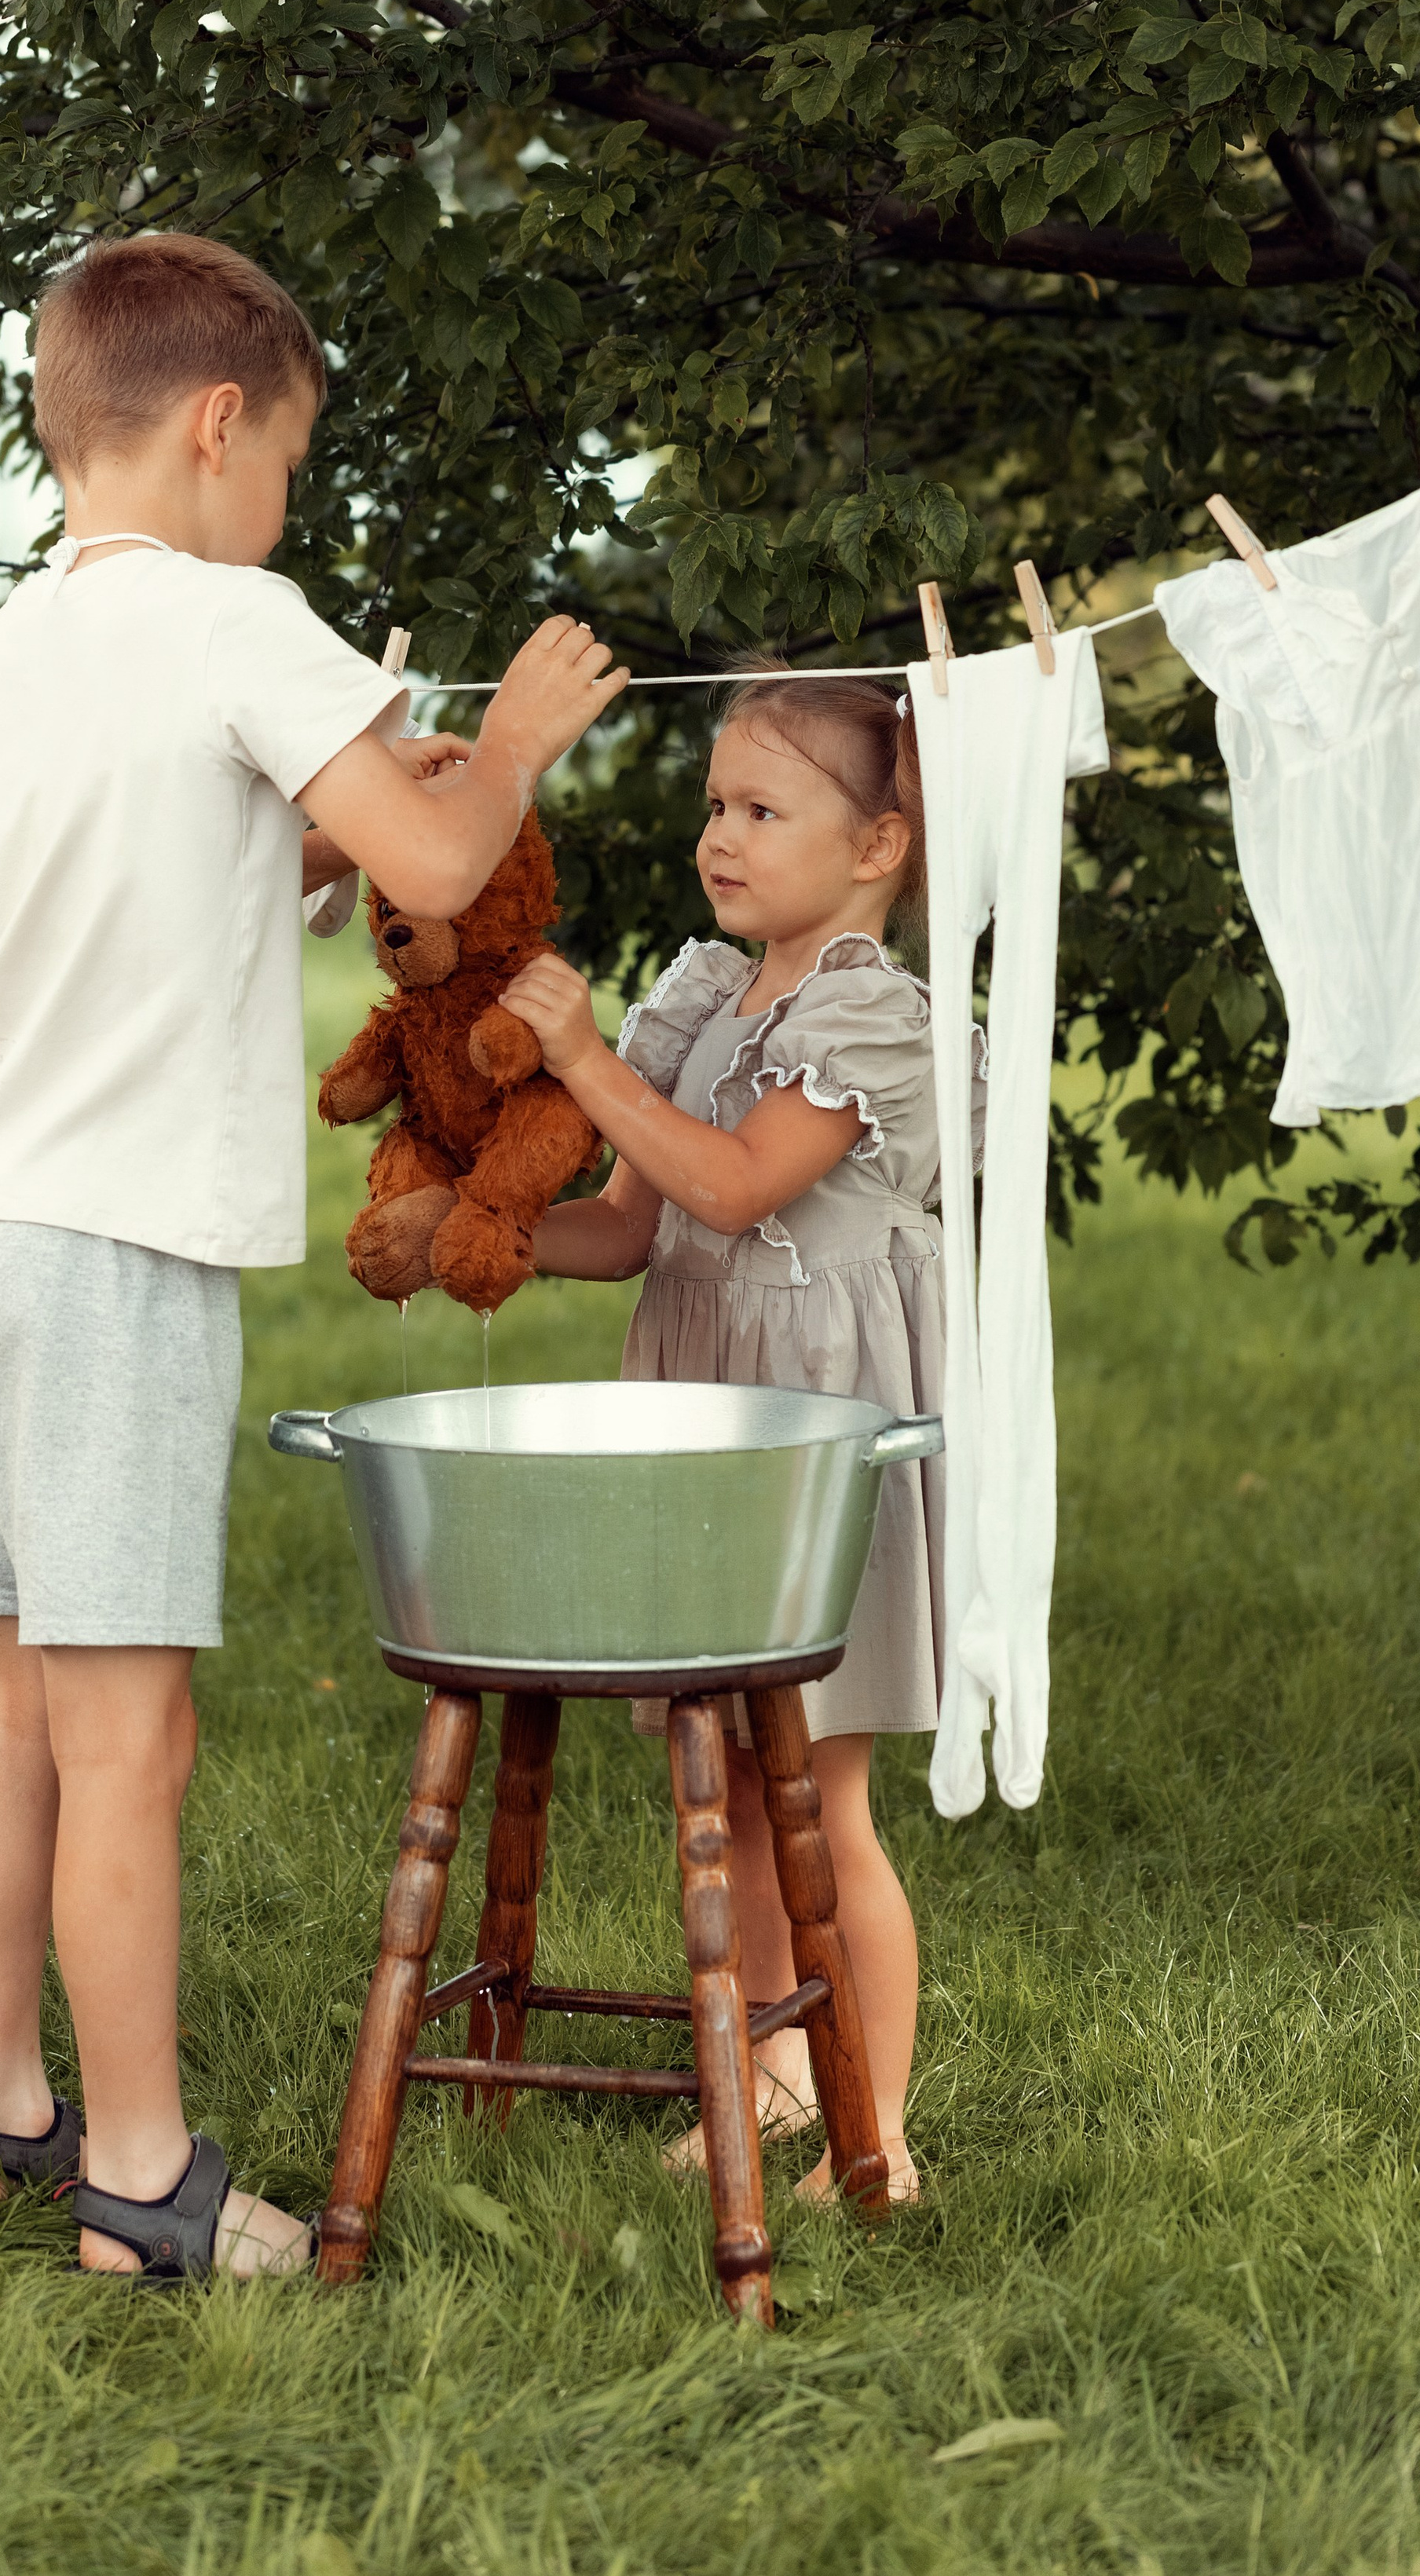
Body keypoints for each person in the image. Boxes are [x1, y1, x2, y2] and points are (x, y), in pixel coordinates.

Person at [0, 230, 625, 2281]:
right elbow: (452, 865)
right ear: (220, 427)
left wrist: (332, 827)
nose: (281, 505)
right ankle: (144, 2180)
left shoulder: (19, 646)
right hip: (114, 1257)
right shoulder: (236, 616)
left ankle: (5, 2112)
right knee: (134, 1738)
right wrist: (526, 734)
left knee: (13, 1701)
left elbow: (186, 855)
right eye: (283, 461)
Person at [503, 667, 948, 2208]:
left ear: (877, 842)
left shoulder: (862, 1016)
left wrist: (579, 1063)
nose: (721, 836)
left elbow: (737, 1181)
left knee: (821, 1792)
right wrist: (484, 1233)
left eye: (763, 809)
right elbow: (630, 1230)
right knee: (747, 1775)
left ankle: (873, 2125)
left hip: (813, 1424)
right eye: (713, 806)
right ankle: (773, 2063)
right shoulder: (706, 995)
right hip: (707, 1407)